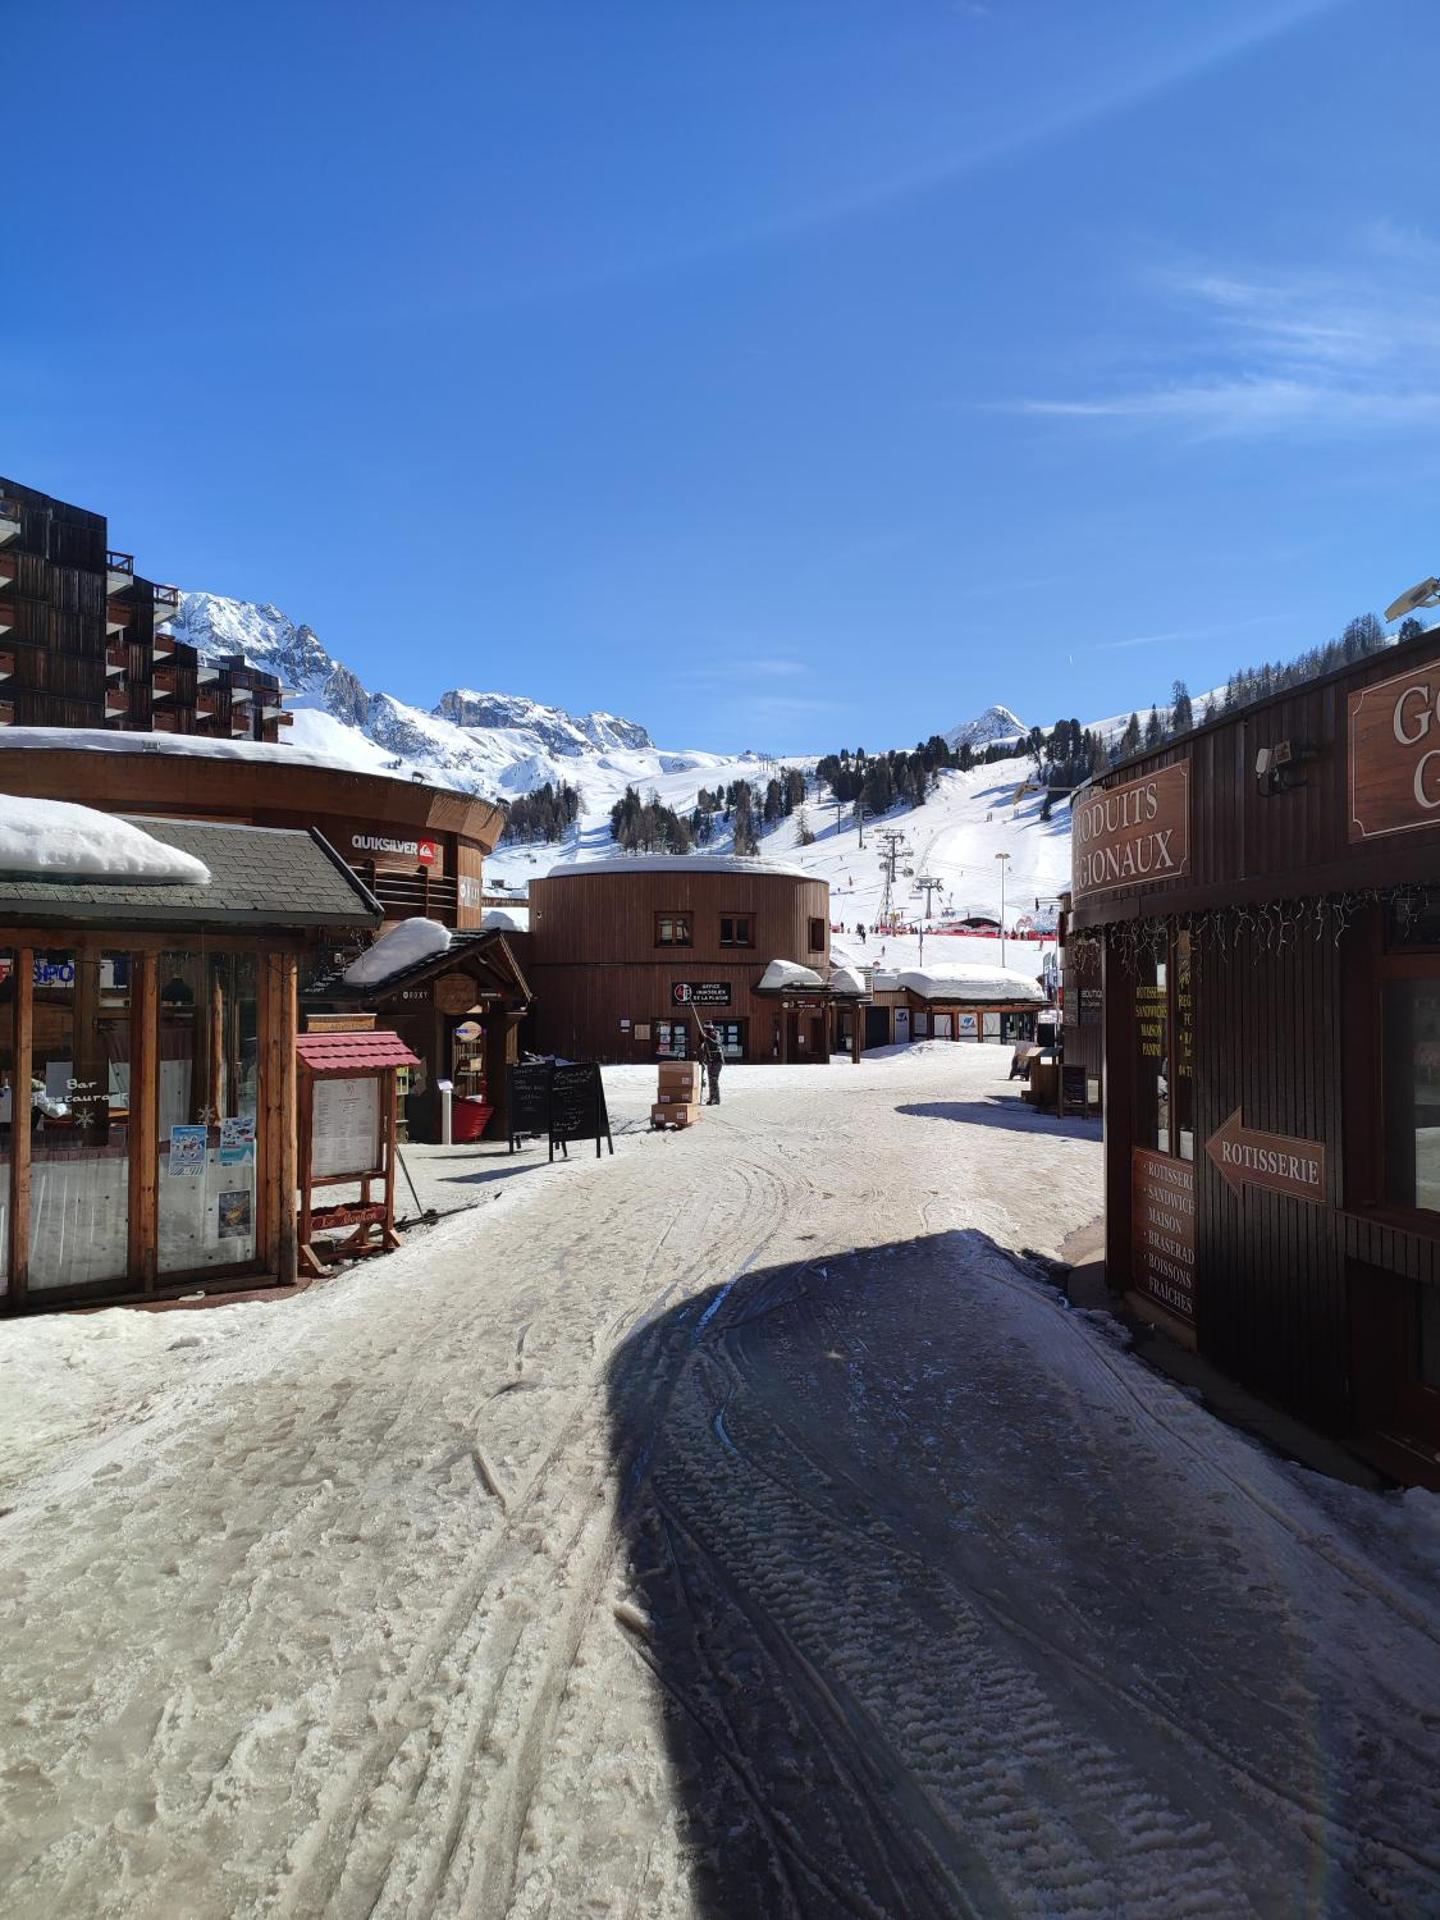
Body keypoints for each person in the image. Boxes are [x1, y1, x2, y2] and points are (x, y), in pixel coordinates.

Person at [698, 1023, 724, 1105]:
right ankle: (712, 1097)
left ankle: (716, 1099)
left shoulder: (716, 1035)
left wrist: (706, 1038)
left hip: (717, 1061)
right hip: (709, 1061)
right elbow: (701, 1044)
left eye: (707, 1030)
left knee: (714, 1079)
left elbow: (715, 1043)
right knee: (711, 1080)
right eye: (704, 1029)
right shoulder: (705, 1036)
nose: (705, 1031)